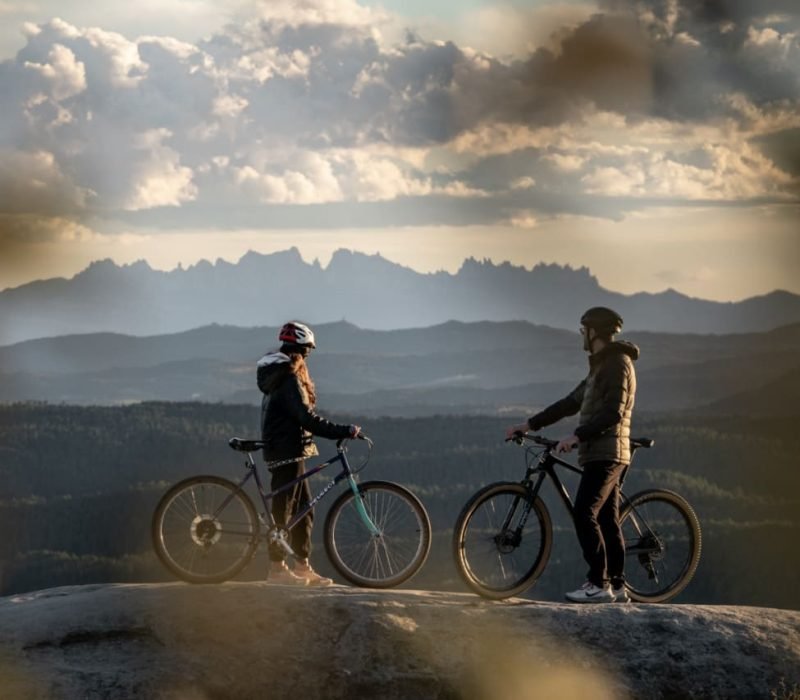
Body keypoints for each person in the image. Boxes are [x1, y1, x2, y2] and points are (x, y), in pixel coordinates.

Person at [506, 307, 639, 604]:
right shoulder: (600, 367)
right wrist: (527, 425)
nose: (582, 336)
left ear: (594, 332)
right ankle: (617, 586)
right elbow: (569, 404)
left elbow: (613, 413)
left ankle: (598, 582)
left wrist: (575, 437)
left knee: (585, 513)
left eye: (583, 330)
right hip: (599, 452)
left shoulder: (618, 364)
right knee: (606, 518)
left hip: (608, 453)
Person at [257, 321, 360, 586]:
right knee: (285, 511)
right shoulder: (288, 379)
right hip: (286, 451)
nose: (307, 359)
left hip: (290, 450)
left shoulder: (280, 375)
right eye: (307, 353)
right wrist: (343, 430)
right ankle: (276, 569)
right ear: (301, 352)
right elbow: (306, 418)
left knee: (304, 510)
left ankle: (302, 567)